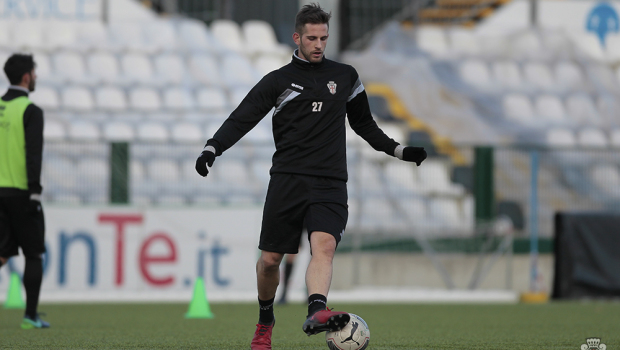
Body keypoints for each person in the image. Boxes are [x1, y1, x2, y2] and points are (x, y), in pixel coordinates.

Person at [195, 3, 426, 349]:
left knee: (324, 245)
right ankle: (265, 321)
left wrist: (399, 151)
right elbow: (243, 117)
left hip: (330, 181)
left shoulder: (346, 76)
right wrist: (213, 148)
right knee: (270, 261)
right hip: (288, 179)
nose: (319, 44)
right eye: (312, 38)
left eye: (324, 38)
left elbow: (364, 124)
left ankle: (317, 308)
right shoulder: (277, 81)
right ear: (297, 38)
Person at [0, 53, 49, 329]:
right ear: (27, 76)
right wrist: (35, 192)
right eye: (34, 72)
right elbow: (33, 155)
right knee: (33, 253)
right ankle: (30, 316)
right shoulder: (30, 111)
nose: (36, 78)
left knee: (3, 252)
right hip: (21, 192)